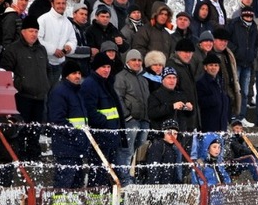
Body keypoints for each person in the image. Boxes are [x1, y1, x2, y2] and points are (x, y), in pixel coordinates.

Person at [0, 15, 49, 162]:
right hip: (21, 97)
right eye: (31, 31)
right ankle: (19, 155)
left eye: (36, 31)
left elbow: (47, 69)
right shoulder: (12, 49)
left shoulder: (42, 50)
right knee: (21, 128)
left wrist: (46, 85)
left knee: (35, 129)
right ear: (23, 32)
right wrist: (18, 86)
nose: (34, 34)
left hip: (40, 97)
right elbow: (5, 73)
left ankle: (34, 155)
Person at [80, 52, 127, 187]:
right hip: (100, 137)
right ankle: (96, 203)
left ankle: (108, 203)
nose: (106, 70)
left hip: (111, 136)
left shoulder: (107, 83)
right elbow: (89, 110)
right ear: (96, 68)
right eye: (103, 67)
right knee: (99, 173)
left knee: (110, 173)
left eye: (108, 67)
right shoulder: (90, 85)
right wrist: (106, 123)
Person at [46, 60, 93, 188]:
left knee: (76, 182)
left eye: (79, 73)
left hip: (77, 145)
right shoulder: (60, 91)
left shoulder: (76, 91)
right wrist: (75, 133)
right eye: (74, 73)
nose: (78, 76)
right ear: (66, 75)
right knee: (64, 182)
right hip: (66, 146)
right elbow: (57, 119)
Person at [114, 49, 150, 185]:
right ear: (127, 61)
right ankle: (123, 177)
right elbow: (119, 98)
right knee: (126, 150)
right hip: (130, 121)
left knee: (137, 147)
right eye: (134, 60)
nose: (137, 62)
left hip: (143, 120)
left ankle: (128, 174)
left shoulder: (143, 78)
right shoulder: (121, 77)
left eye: (139, 60)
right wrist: (127, 116)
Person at [227, 5, 258, 126]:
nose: (248, 17)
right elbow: (227, 40)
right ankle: (233, 115)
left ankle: (242, 116)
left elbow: (256, 43)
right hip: (236, 62)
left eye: (250, 15)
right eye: (246, 15)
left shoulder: (254, 27)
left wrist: (252, 54)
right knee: (235, 89)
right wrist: (236, 51)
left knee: (245, 91)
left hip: (248, 63)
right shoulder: (234, 24)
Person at [37, 0, 77, 88]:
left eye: (63, 3)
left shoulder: (67, 23)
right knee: (44, 92)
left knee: (54, 93)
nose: (61, 6)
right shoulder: (43, 19)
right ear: (52, 4)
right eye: (58, 3)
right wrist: (53, 50)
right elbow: (37, 39)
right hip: (44, 63)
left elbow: (73, 40)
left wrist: (69, 47)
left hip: (59, 64)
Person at [148, 66, 195, 132]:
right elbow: (152, 113)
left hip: (180, 133)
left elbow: (187, 116)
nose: (172, 80)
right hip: (162, 134)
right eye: (169, 78)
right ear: (162, 80)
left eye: (174, 78)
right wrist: (172, 106)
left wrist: (190, 109)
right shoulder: (155, 95)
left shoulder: (181, 95)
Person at [196, 53, 230, 132]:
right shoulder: (201, 82)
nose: (214, 68)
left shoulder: (220, 81)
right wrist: (214, 99)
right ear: (205, 67)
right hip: (209, 125)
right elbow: (201, 102)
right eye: (211, 65)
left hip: (222, 125)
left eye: (216, 65)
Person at [143, 118, 183, 184]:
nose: (172, 136)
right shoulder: (158, 146)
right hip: (158, 187)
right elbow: (153, 170)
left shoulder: (175, 149)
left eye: (175, 134)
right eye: (169, 133)